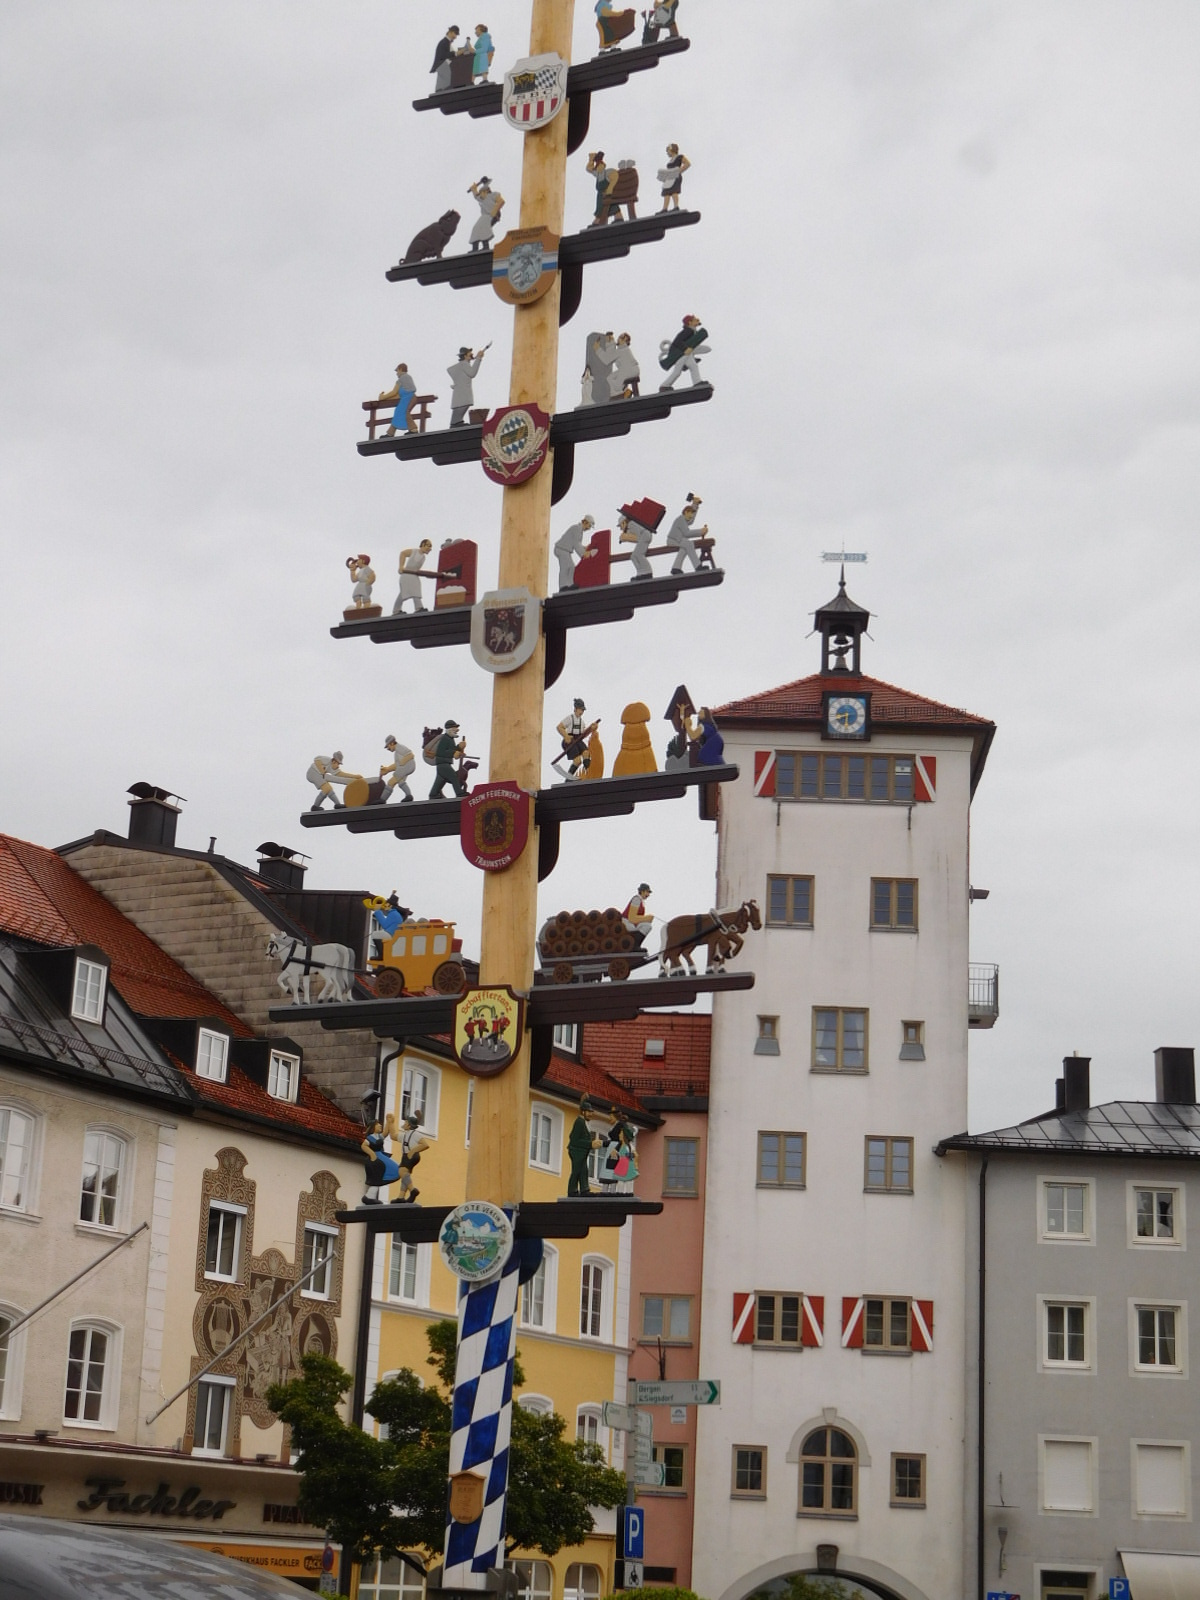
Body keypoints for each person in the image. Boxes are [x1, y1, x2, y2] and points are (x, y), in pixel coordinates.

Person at [658, 313, 710, 390]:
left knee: (692, 366)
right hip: (680, 354)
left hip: (685, 353)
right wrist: (685, 349)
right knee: (678, 371)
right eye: (694, 320)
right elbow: (678, 342)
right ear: (690, 322)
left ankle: (697, 382)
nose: (697, 320)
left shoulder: (692, 331)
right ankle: (665, 386)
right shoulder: (688, 331)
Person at [361, 1113, 400, 1205]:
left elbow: (386, 1132)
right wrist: (372, 1154)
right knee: (377, 1178)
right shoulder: (370, 1138)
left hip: (380, 1158)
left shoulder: (379, 1136)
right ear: (373, 1127)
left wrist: (389, 1122)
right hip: (375, 1160)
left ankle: (369, 1196)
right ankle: (369, 1197)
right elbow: (363, 1146)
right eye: (378, 1124)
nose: (380, 1125)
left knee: (379, 1177)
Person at [567, 1096, 601, 1197]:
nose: (591, 1114)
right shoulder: (579, 1122)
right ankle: (572, 1190)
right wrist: (590, 1144)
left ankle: (584, 1189)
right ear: (583, 1112)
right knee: (576, 1171)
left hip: (580, 1152)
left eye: (591, 1112)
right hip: (576, 1152)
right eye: (589, 1112)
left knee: (583, 1170)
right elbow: (574, 1139)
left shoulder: (582, 1122)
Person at [555, 698, 596, 780]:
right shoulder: (570, 718)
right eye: (580, 709)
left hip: (578, 740)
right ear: (576, 709)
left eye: (583, 710)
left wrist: (591, 729)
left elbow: (583, 734)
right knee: (577, 761)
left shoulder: (582, 722)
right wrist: (566, 736)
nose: (581, 712)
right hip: (570, 740)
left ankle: (589, 773)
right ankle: (568, 778)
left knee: (586, 753)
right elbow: (559, 727)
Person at [665, 493, 706, 573]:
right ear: (686, 512)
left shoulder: (683, 519)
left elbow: (691, 521)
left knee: (684, 548)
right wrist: (701, 532)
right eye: (690, 513)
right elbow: (687, 533)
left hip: (678, 540)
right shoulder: (680, 520)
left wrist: (695, 505)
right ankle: (697, 566)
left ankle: (676, 568)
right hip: (673, 540)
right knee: (689, 544)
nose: (691, 516)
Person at [447, 345, 486, 427]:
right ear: (465, 356)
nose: (472, 354)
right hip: (463, 392)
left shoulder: (462, 365)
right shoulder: (464, 364)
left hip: (461, 391)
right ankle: (456, 422)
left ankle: (457, 421)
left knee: (462, 406)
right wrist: (478, 359)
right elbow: (472, 373)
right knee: (462, 405)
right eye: (469, 353)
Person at [430, 719, 470, 798]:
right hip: (443, 764)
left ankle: (433, 794)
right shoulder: (445, 739)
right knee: (454, 777)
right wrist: (454, 752)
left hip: (443, 764)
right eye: (455, 728)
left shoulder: (450, 739)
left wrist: (459, 748)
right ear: (450, 729)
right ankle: (459, 793)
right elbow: (441, 752)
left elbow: (452, 750)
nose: (457, 730)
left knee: (440, 780)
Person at [554, 514, 595, 589]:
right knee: (565, 567)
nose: (588, 528)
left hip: (565, 550)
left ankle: (569, 585)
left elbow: (577, 544)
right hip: (561, 549)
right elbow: (576, 544)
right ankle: (563, 586)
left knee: (571, 567)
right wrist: (583, 554)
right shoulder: (577, 529)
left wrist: (585, 548)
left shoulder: (579, 530)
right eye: (589, 526)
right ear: (585, 522)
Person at [396, 1113, 430, 1203]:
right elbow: (393, 1136)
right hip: (406, 1155)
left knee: (402, 1172)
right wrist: (389, 1124)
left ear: (409, 1125)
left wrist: (413, 1151)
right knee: (405, 1175)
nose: (404, 1123)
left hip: (411, 1155)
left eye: (406, 1122)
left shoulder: (415, 1134)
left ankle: (413, 1190)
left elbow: (425, 1145)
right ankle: (401, 1197)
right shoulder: (405, 1134)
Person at [394, 540, 433, 614]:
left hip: (413, 575)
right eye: (428, 545)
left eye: (430, 547)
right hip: (407, 575)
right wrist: (401, 566)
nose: (430, 548)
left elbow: (417, 569)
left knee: (408, 592)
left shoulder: (423, 557)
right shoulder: (414, 551)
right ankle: (417, 607)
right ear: (423, 545)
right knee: (406, 592)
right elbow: (403, 553)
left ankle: (397, 610)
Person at [380, 363, 417, 437]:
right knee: (399, 412)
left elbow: (394, 392)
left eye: (397, 371)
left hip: (408, 398)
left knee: (404, 412)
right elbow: (398, 395)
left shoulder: (402, 379)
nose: (396, 373)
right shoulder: (407, 377)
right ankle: (390, 432)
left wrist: (383, 397)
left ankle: (413, 429)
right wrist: (385, 397)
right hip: (408, 398)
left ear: (400, 369)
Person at [467, 176, 504, 252]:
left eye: (483, 191)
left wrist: (494, 212)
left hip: (491, 215)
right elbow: (476, 196)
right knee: (476, 228)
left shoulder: (494, 195)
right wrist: (474, 188)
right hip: (485, 216)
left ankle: (485, 246)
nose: (482, 193)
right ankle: (475, 248)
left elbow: (501, 201)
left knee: (484, 229)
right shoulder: (482, 198)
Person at [617, 507, 654, 579]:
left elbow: (638, 537)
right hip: (643, 537)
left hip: (645, 536)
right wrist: (626, 537)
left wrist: (627, 537)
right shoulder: (630, 527)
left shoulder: (631, 524)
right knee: (633, 556)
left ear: (624, 522)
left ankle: (647, 572)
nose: (621, 528)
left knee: (638, 555)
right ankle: (641, 573)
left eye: (620, 525)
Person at [380, 735, 416, 803]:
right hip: (406, 767)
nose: (388, 749)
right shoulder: (397, 752)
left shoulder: (399, 747)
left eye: (388, 746)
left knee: (391, 782)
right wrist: (388, 769)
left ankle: (382, 800)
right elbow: (396, 764)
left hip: (407, 766)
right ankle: (408, 795)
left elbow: (411, 755)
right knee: (400, 781)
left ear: (392, 743)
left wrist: (402, 763)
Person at [658, 143, 690, 212]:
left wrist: (679, 171)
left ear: (671, 150)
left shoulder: (679, 157)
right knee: (666, 192)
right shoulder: (670, 161)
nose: (667, 153)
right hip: (669, 178)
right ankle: (664, 208)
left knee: (674, 192)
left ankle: (676, 206)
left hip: (675, 176)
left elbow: (687, 164)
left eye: (668, 151)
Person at [609, 332, 640, 398]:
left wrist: (598, 349)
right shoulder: (621, 349)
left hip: (629, 370)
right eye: (620, 337)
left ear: (625, 341)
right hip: (627, 370)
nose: (619, 339)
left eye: (622, 338)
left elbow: (607, 359)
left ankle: (621, 394)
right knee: (610, 377)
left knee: (615, 382)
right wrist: (611, 342)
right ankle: (622, 392)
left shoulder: (623, 349)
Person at [431, 25, 461, 91]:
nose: (455, 36)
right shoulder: (444, 42)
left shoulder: (447, 42)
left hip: (444, 65)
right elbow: (443, 55)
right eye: (455, 33)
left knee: (443, 83)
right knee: (444, 83)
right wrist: (455, 53)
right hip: (442, 65)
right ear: (450, 32)